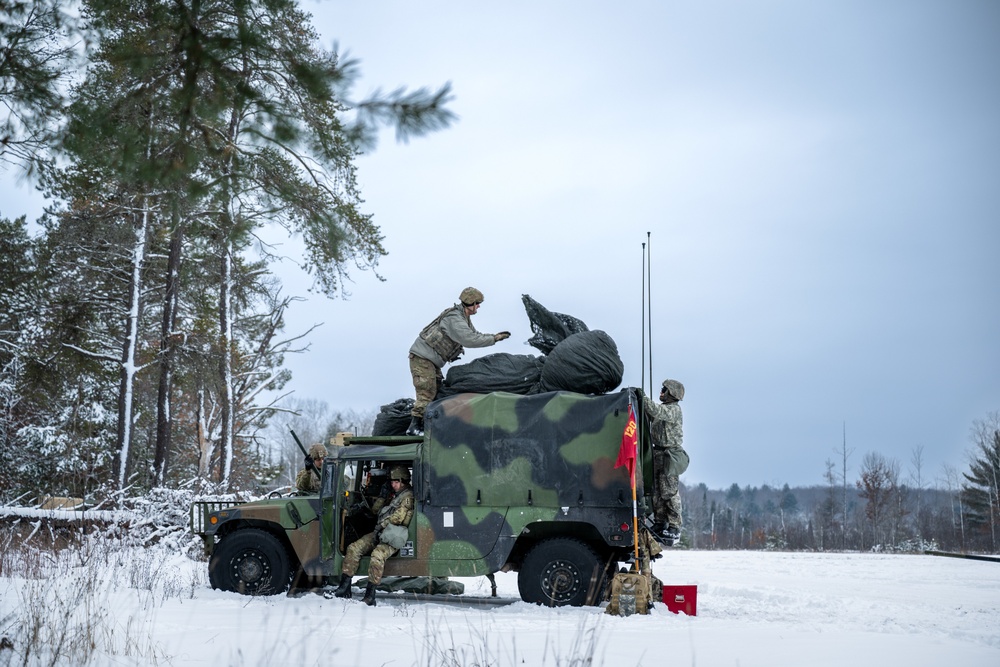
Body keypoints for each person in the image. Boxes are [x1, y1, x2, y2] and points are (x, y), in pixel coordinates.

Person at [406, 287, 510, 435]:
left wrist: (493, 336)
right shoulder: (454, 318)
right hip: (423, 358)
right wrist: (493, 339)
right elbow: (469, 339)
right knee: (427, 392)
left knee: (436, 391)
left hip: (430, 359)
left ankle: (425, 426)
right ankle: (414, 428)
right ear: (471, 303)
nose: (479, 306)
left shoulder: (462, 316)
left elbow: (473, 334)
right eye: (477, 303)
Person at [332, 466, 415, 606]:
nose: (393, 485)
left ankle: (370, 595)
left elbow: (398, 518)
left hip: (393, 535)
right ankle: (344, 587)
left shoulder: (407, 496)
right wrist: (382, 497)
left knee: (377, 555)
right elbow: (376, 511)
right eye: (392, 482)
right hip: (381, 532)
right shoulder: (395, 495)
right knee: (354, 548)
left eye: (396, 482)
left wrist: (380, 526)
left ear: (403, 481)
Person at [642, 379, 689, 546]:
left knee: (669, 491)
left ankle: (675, 525)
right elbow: (651, 413)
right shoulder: (663, 410)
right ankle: (660, 522)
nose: (661, 392)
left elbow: (656, 410)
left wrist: (643, 398)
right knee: (657, 492)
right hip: (658, 453)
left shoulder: (673, 410)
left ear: (672, 394)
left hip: (670, 454)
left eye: (664, 390)